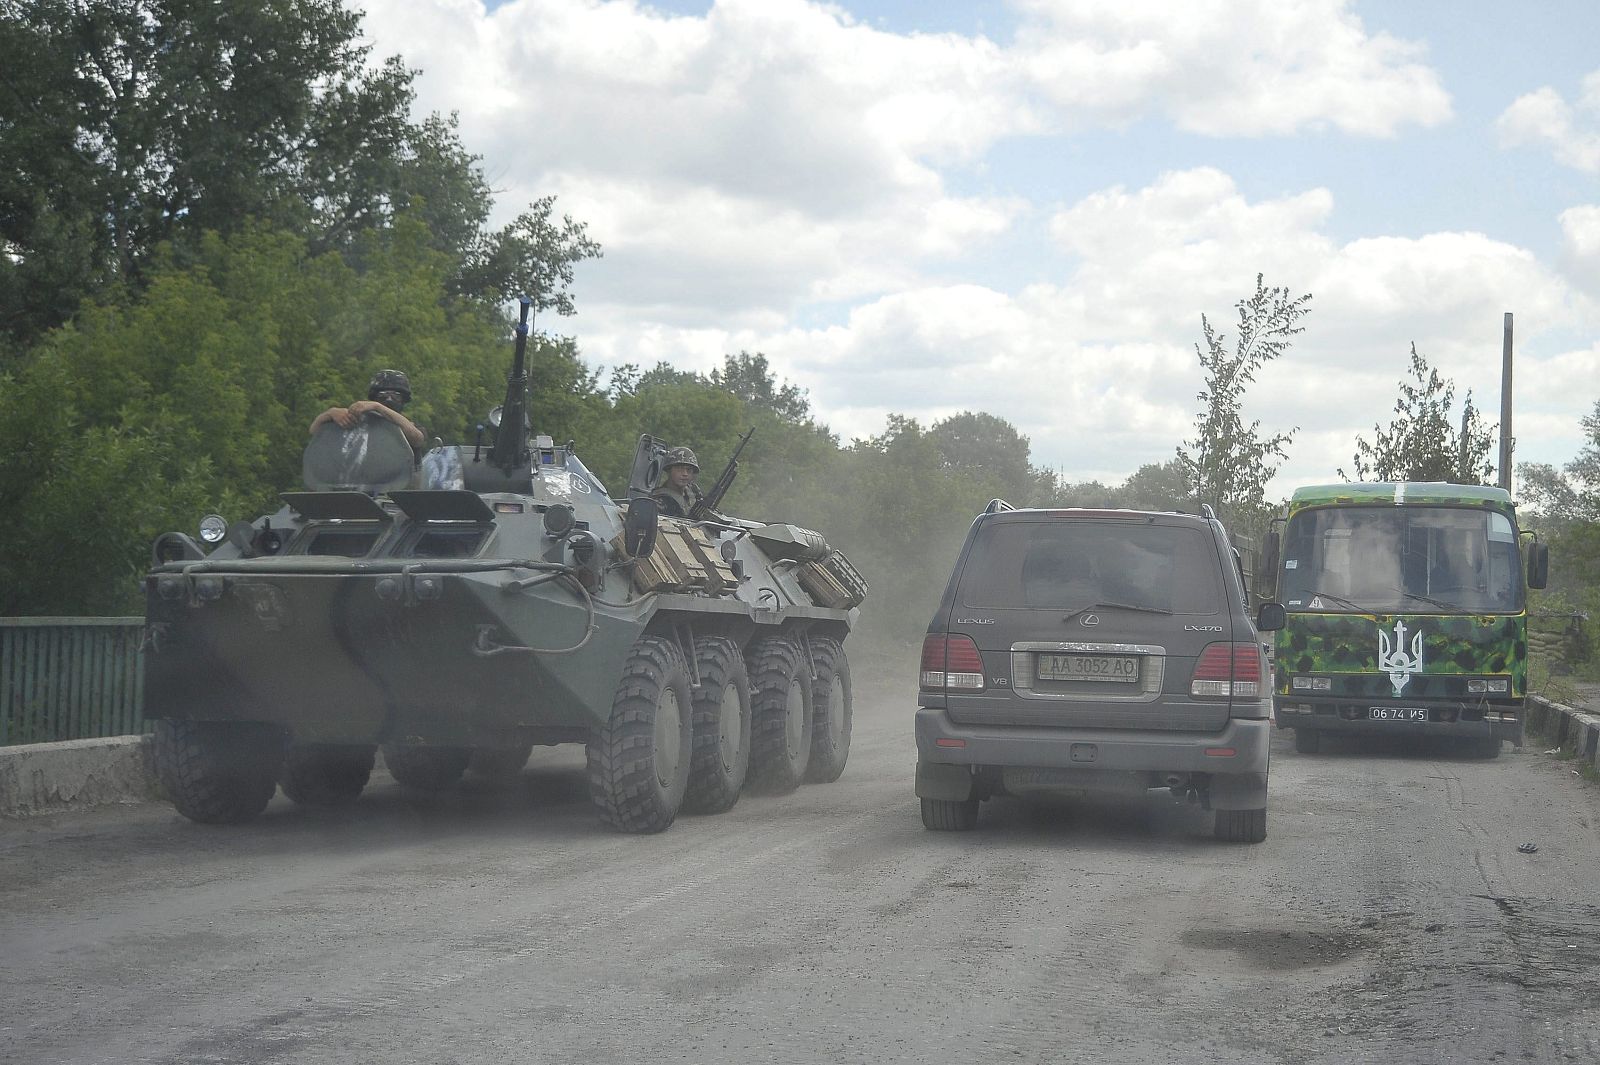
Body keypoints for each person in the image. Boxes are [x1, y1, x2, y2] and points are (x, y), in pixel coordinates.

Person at [309, 369, 426, 459]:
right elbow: (314, 432)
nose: (389, 399)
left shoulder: (408, 426)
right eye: (383, 394)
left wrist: (378, 407)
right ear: (374, 397)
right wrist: (330, 413)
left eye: (395, 395)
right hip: (359, 485)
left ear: (403, 400)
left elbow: (417, 439)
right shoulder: (358, 423)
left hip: (399, 487)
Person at [652, 446, 704, 518]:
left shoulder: (694, 491)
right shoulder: (659, 501)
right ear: (669, 471)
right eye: (679, 469)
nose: (685, 474)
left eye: (689, 470)